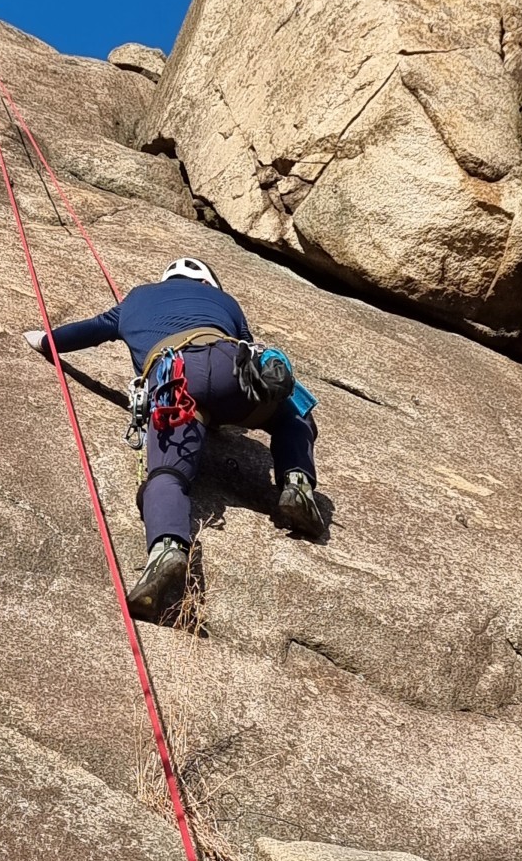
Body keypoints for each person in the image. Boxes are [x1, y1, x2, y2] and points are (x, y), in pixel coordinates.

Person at [24, 256, 324, 622]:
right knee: (293, 414)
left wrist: (43, 340)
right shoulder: (224, 301)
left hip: (175, 379)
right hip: (230, 365)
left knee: (167, 476)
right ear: (207, 284)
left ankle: (166, 550)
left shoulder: (135, 299)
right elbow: (249, 350)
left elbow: (90, 330)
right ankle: (296, 484)